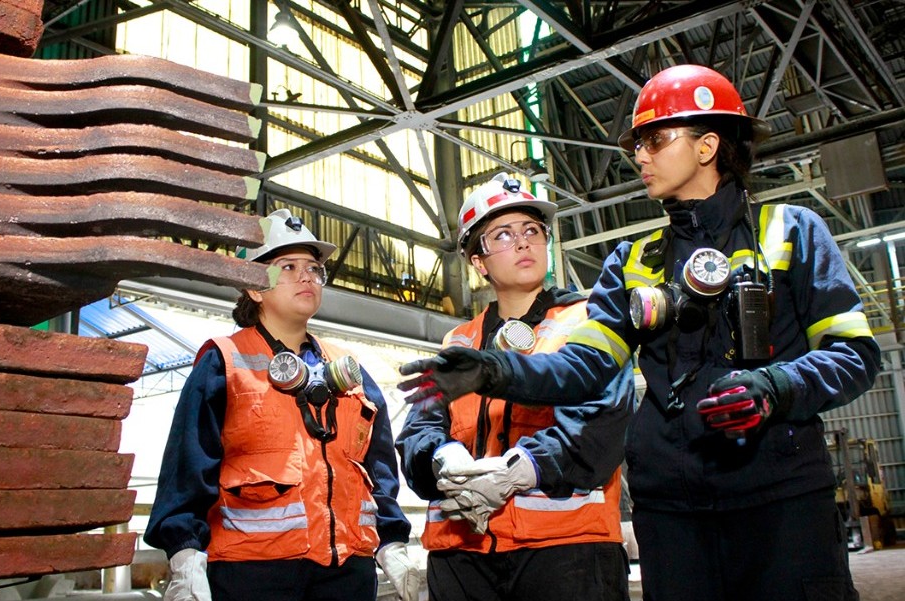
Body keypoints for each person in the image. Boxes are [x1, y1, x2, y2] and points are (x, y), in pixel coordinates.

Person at [398, 64, 881, 601]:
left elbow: (855, 354)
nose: (640, 156)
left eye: (655, 140)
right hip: (672, 510)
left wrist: (776, 387)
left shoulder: (790, 232)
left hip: (780, 498)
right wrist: (493, 368)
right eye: (638, 145)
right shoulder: (634, 260)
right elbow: (584, 367)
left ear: (707, 146)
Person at [145, 208, 420, 601]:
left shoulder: (350, 368)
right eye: (288, 266)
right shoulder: (224, 362)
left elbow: (376, 465)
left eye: (313, 267)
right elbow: (188, 463)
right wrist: (185, 553)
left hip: (347, 570)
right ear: (254, 287)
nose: (306, 275)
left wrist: (391, 542)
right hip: (254, 573)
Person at [395, 173, 633, 601]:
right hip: (463, 553)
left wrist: (518, 471)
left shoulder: (587, 324)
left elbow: (602, 427)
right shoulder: (459, 341)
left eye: (532, 231)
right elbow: (418, 430)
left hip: (566, 551)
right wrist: (440, 457)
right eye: (503, 234)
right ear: (478, 262)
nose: (523, 243)